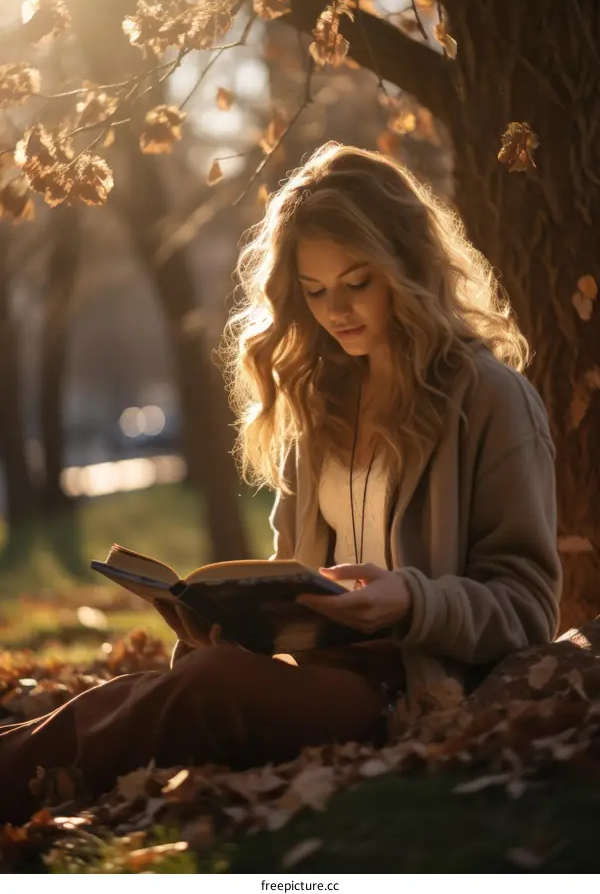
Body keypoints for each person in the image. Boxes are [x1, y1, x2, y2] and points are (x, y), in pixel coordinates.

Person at [0, 143, 561, 825]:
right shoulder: (319, 393)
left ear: (407, 269)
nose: (336, 311)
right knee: (170, 687)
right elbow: (295, 576)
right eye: (315, 291)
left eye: (358, 282)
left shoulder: (491, 399)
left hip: (414, 693)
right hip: (319, 672)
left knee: (208, 690)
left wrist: (408, 602)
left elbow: (528, 606)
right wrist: (229, 618)